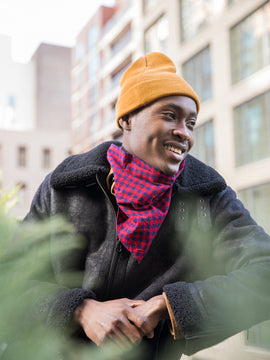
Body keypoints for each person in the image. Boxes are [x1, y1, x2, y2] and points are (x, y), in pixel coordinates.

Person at [25, 52, 270, 359]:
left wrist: (169, 306)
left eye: (191, 122)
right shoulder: (64, 186)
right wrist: (81, 310)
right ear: (127, 119)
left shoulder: (208, 195)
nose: (185, 132)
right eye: (170, 115)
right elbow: (10, 279)